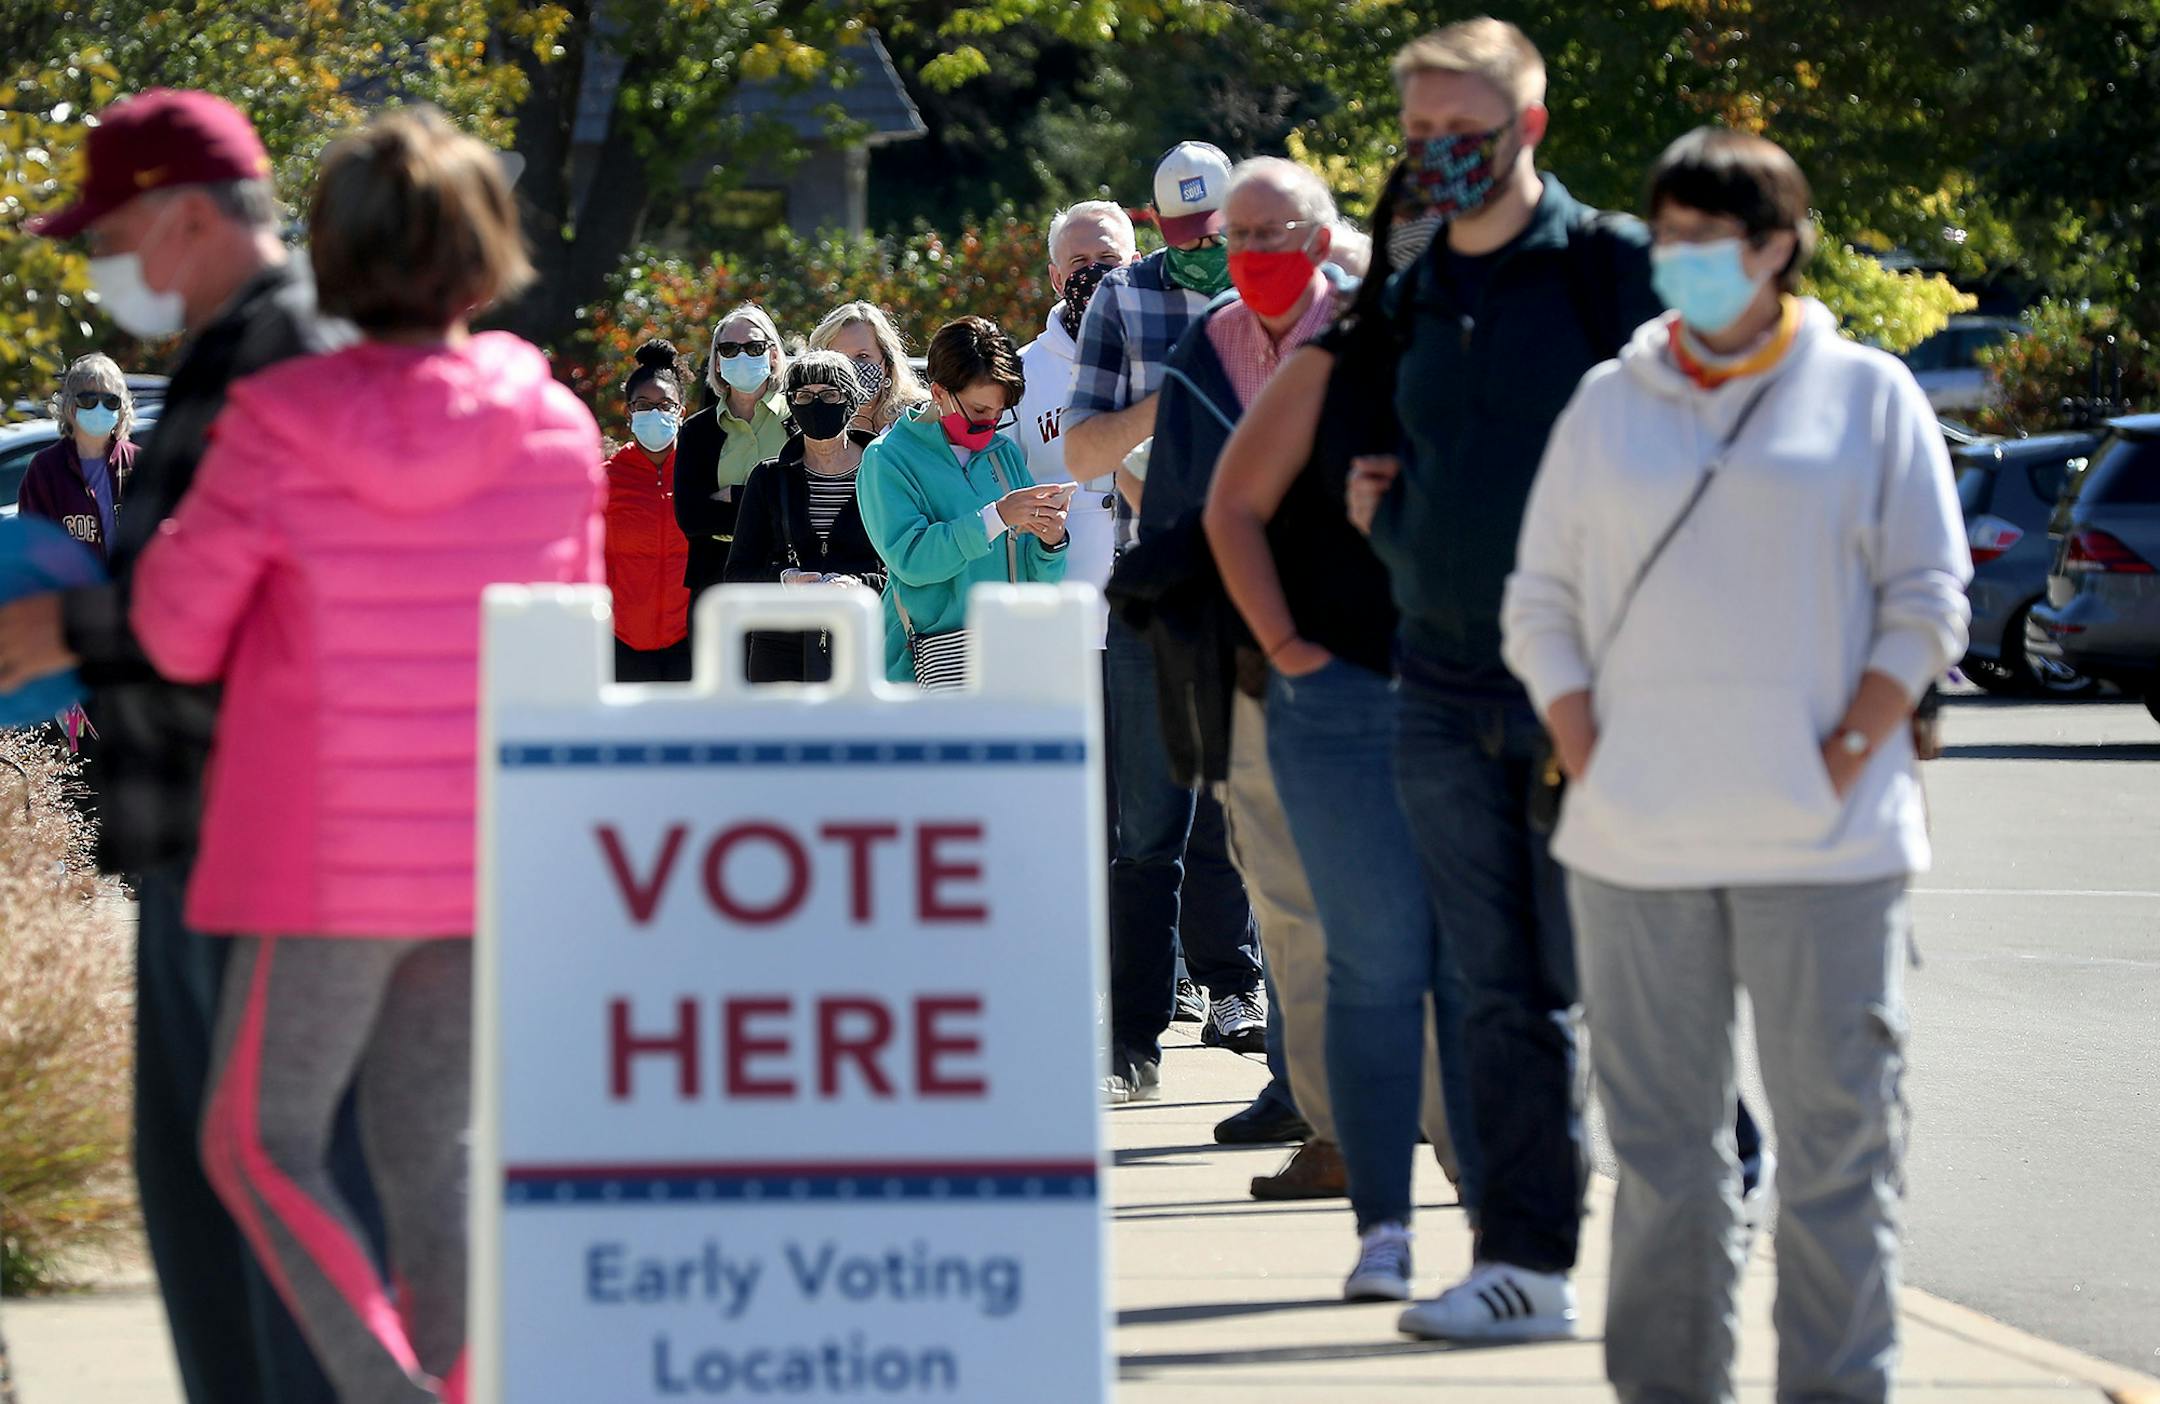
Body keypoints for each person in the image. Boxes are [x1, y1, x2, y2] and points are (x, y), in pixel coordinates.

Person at [129, 105, 603, 1404]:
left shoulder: (274, 424)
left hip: (318, 864)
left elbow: (173, 637)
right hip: (484, 854)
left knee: (254, 1141)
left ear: (333, 254)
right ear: (487, 250)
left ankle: (387, 1389)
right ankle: (448, 1385)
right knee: (427, 1152)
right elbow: (580, 641)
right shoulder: (557, 426)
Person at [1503, 128, 1969, 1403]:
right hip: (1636, 846)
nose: (1685, 265)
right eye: (1671, 240)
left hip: (1830, 843)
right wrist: (1589, 742)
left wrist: (1848, 748)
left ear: (1777, 247)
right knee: (1662, 1160)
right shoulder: (1611, 404)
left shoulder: (1867, 394)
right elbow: (1539, 600)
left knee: (1838, 1154)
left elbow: (1928, 599)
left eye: (1713, 243)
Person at [6, 88, 374, 1404]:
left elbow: (261, 596)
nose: (104, 272)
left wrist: (70, 624)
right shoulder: (239, 358)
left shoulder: (288, 357)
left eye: (107, 235)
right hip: (206, 851)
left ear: (178, 215)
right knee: (216, 1234)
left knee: (275, 1245)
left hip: (261, 857)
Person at [1342, 19, 1666, 1341]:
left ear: (1528, 129)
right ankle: (1523, 1262)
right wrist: (1385, 523)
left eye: (1461, 136)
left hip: (1591, 687)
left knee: (1618, 973)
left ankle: (1700, 1191)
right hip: (1438, 682)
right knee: (1493, 989)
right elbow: (1375, 434)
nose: (1434, 159)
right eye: (1418, 137)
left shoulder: (1610, 271)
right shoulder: (1410, 273)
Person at [1202, 157, 1480, 1286]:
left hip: (1482, 691)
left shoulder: (1517, 359)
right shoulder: (1335, 359)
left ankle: (1499, 1209)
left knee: (1481, 954)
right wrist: (1285, 649)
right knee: (1363, 954)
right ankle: (1388, 1226)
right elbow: (1225, 505)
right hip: (1346, 692)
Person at [1065, 140, 1268, 1101]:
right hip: (1161, 584)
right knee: (1146, 823)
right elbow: (1081, 450)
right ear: (1156, 228)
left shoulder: (1290, 288)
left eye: (1216, 232)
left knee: (1263, 812)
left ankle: (1253, 1006)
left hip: (1271, 580)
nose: (1202, 250)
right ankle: (1134, 1036)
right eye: (1183, 236)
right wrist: (1173, 396)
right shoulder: (1123, 298)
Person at [858, 316, 1071, 687]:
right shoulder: (886, 459)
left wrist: (1051, 543)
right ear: (938, 392)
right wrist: (996, 517)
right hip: (921, 669)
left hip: (1007, 660)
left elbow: (1038, 578)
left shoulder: (1003, 453)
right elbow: (912, 560)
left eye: (998, 413)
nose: (989, 424)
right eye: (977, 411)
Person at [1006, 200, 1136, 653]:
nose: (1093, 273)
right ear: (1056, 278)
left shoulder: (1172, 358)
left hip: (1153, 614)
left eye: (1108, 260)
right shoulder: (1019, 375)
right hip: (1061, 616)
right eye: (1079, 263)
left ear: (1135, 265)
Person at [725, 349, 888, 682]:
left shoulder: (884, 472)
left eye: (830, 395)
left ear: (852, 400)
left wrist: (859, 584)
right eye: (804, 396)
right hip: (780, 646)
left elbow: (905, 565)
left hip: (863, 638)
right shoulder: (769, 478)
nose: (817, 405)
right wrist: (786, 580)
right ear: (791, 405)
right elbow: (738, 571)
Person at [675, 303, 790, 598]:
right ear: (716, 362)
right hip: (715, 578)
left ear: (773, 354)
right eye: (728, 349)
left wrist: (733, 496)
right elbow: (691, 517)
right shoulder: (696, 430)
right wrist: (769, 507)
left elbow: (805, 502)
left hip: (787, 577)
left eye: (754, 347)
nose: (741, 356)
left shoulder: (797, 421)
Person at [605, 339, 693, 682]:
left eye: (665, 404)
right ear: (629, 412)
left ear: (681, 411)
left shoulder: (699, 473)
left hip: (689, 641)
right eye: (644, 404)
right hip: (618, 641)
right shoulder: (604, 480)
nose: (655, 413)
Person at [20, 353, 138, 561]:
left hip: (130, 590)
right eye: (89, 399)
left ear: (122, 409)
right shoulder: (45, 469)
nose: (100, 408)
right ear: (70, 407)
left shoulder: (140, 463)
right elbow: (34, 546)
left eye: (110, 401)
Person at [807, 301, 928, 435]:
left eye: (862, 356)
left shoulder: (919, 418)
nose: (850, 368)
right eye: (838, 357)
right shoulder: (807, 421)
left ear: (888, 363)